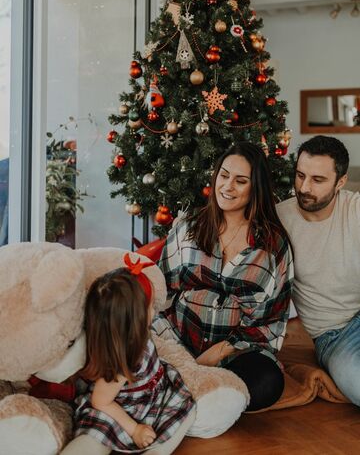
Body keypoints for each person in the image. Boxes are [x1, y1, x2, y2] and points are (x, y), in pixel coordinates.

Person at [155, 142, 294, 411]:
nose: (227, 186)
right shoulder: (188, 226)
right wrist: (173, 350)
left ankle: (185, 393)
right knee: (137, 359)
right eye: (224, 175)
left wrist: (220, 351)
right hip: (177, 339)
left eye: (240, 181)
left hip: (235, 352)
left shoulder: (273, 245)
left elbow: (271, 319)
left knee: (267, 383)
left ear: (256, 188)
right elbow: (162, 292)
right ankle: (202, 395)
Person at [73, 254, 195, 454]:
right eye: (149, 307)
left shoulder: (136, 336)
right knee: (96, 432)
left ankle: (157, 451)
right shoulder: (122, 361)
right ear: (135, 320)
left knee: (186, 408)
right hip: (120, 410)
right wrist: (134, 429)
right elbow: (101, 401)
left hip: (153, 399)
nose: (154, 312)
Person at [276, 135, 360, 407]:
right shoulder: (279, 219)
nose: (304, 188)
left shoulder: (355, 209)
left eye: (318, 180)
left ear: (341, 182)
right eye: (300, 175)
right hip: (333, 335)